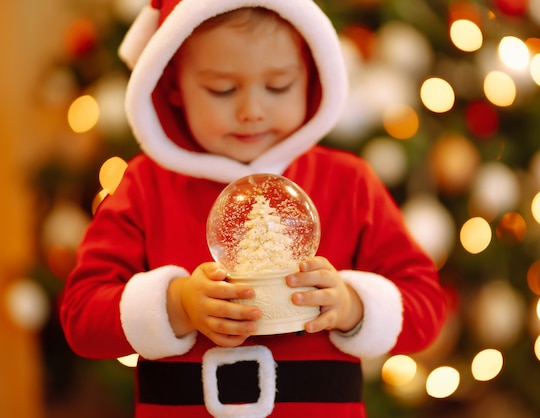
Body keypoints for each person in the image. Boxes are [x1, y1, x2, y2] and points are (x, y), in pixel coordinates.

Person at [60, 0, 447, 417]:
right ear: (172, 83)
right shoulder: (144, 186)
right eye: (222, 89)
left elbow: (426, 306)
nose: (252, 112)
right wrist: (175, 304)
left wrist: (353, 305)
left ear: (312, 75)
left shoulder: (348, 183)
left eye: (278, 86)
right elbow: (81, 317)